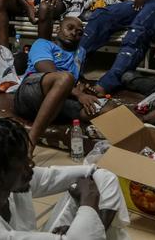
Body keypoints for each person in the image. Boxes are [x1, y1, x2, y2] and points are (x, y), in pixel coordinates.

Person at [0, 116, 130, 239]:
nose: (31, 166)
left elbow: (96, 173)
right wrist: (88, 204)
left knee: (101, 179)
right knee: (89, 201)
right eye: (22, 162)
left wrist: (95, 226)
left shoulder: (4, 185)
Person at [15, 16, 97, 148]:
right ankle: (31, 142)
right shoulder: (42, 44)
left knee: (99, 107)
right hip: (30, 94)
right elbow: (50, 72)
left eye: (79, 32)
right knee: (65, 78)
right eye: (70, 28)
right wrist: (78, 94)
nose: (74, 33)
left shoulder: (80, 53)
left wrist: (82, 86)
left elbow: (77, 78)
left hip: (58, 101)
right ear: (58, 29)